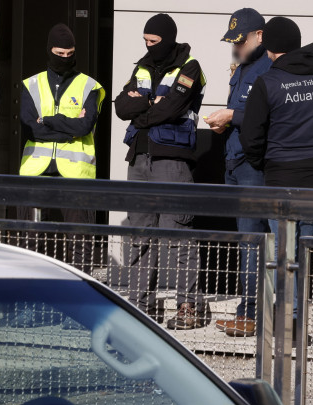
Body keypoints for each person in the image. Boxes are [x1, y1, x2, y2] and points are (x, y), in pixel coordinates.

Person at [240, 16, 313, 322]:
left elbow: (251, 136)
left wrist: (264, 163)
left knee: (285, 254)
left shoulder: (269, 82)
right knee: (305, 253)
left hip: (282, 181)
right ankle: (297, 316)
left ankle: (290, 321)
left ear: (270, 48)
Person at [114, 13, 210, 329]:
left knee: (178, 235)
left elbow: (173, 107)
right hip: (139, 159)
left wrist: (142, 109)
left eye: (153, 41)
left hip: (173, 160)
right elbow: (120, 107)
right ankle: (142, 306)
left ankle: (189, 308)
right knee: (140, 235)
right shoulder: (141, 66)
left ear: (167, 40)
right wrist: (148, 104)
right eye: (145, 41)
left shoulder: (190, 66)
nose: (148, 46)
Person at [204, 8, 272, 338]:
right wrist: (225, 123)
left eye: (241, 41)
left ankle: (251, 315)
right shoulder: (244, 67)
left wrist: (231, 115)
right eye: (233, 42)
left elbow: (268, 115)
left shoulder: (271, 68)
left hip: (253, 167)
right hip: (234, 161)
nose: (237, 47)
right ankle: (249, 311)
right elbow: (242, 113)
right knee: (246, 241)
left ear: (260, 36)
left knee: (252, 242)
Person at [18, 23, 105, 272]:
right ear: (49, 51)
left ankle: (78, 286)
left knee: (80, 241)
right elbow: (30, 128)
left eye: (70, 54)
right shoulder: (30, 85)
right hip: (35, 169)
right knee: (31, 238)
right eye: (59, 54)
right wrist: (69, 127)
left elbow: (84, 128)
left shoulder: (91, 86)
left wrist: (48, 120)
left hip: (76, 173)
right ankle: (30, 283)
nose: (65, 59)